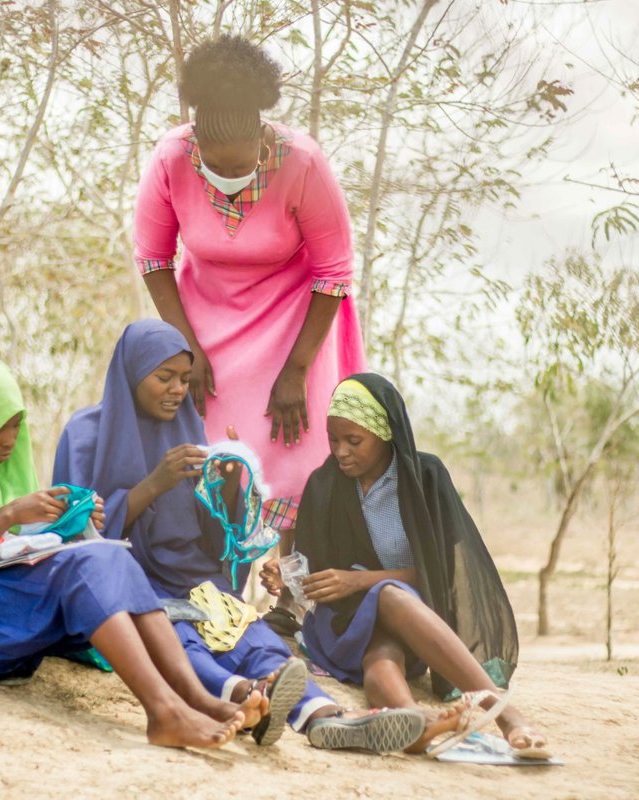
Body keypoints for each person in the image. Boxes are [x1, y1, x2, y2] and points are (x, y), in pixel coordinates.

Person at [53, 320, 426, 753]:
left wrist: (229, 486)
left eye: (185, 379)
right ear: (132, 372)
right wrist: (152, 484)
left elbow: (213, 537)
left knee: (255, 638)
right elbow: (76, 538)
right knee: (181, 638)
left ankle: (324, 716)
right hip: (132, 586)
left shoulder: (188, 429)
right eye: (164, 377)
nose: (178, 389)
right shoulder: (85, 435)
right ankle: (244, 695)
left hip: (193, 578)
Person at [0, 358, 257, 749]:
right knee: (85, 567)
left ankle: (195, 697)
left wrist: (67, 523)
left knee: (111, 556)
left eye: (16, 425)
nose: (10, 439)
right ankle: (163, 711)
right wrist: (10, 514)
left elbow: (7, 550)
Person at [133, 35, 365, 575]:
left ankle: (294, 597)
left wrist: (297, 371)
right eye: (218, 168)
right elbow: (152, 259)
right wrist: (187, 347)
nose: (231, 183)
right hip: (202, 320)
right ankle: (212, 590)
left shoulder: (302, 160)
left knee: (295, 455)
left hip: (293, 321)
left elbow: (334, 273)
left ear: (262, 139)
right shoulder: (172, 156)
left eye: (242, 169)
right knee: (214, 454)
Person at [262, 374, 550, 757]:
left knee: (383, 646)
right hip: (343, 624)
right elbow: (311, 574)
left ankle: (438, 720)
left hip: (419, 622)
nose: (341, 452)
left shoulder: (426, 478)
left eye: (354, 441)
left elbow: (441, 571)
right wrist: (286, 576)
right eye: (334, 441)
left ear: (385, 433)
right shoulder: (323, 484)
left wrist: (360, 581)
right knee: (383, 622)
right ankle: (465, 716)